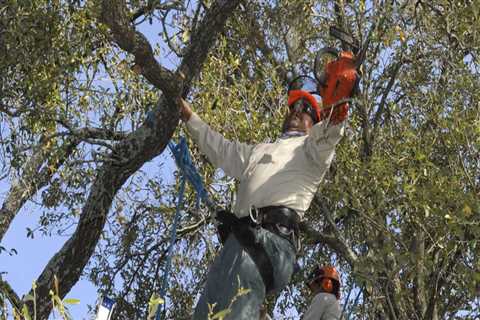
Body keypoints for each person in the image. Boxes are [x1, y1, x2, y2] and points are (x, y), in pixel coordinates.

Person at [178, 75, 349, 320]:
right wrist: (189, 117)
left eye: (307, 109)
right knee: (205, 314)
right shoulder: (259, 151)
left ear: (315, 122)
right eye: (294, 107)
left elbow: (329, 134)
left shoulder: (311, 150)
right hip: (238, 242)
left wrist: (338, 106)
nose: (298, 111)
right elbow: (221, 149)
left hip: (268, 242)